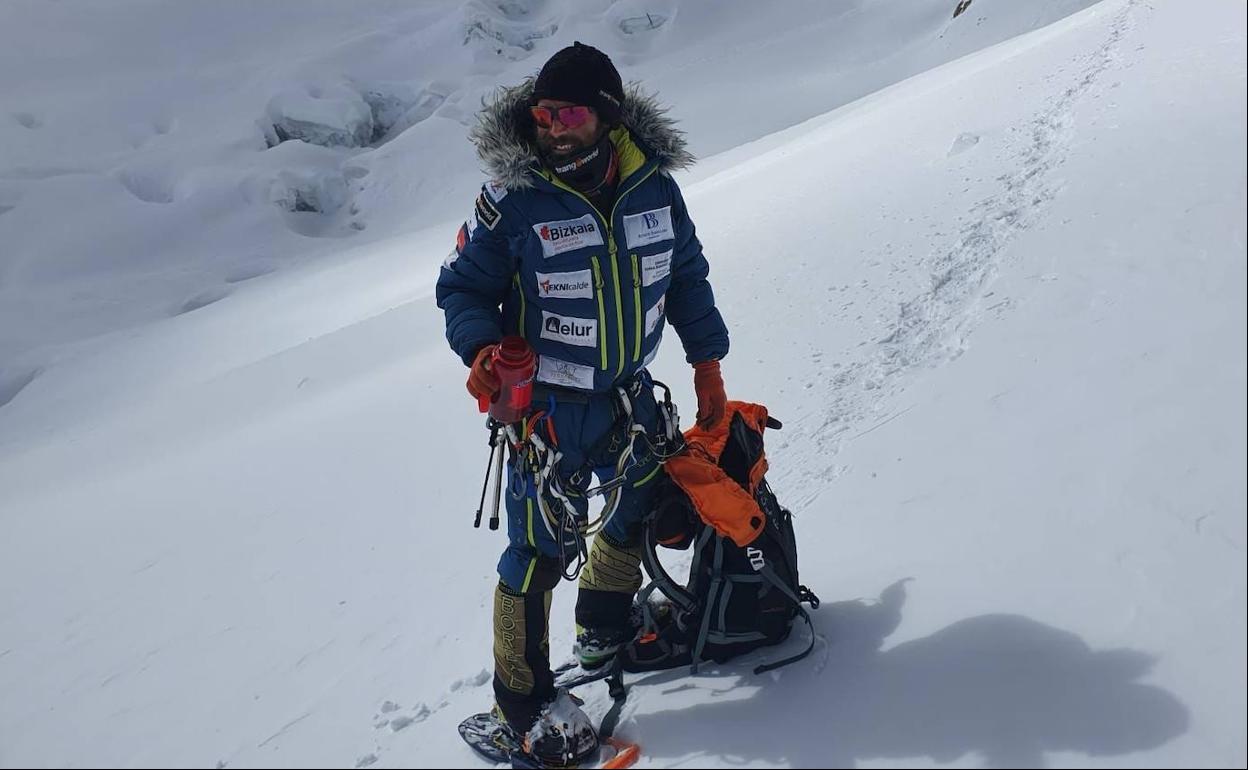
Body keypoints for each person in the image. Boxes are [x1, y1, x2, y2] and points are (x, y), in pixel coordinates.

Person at [436, 41, 730, 766]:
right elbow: (463, 289)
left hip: (628, 397)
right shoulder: (514, 199)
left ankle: (604, 629)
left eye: (565, 112)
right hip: (547, 413)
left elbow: (686, 275)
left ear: (605, 117)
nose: (551, 126)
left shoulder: (653, 187)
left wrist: (707, 366)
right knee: (539, 551)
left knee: (630, 512)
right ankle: (523, 706)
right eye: (541, 113)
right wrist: (480, 353)